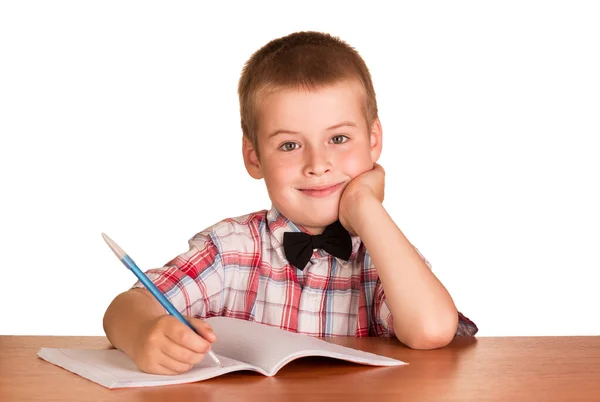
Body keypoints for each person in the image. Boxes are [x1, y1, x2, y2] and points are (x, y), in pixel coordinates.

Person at [103, 31, 478, 375]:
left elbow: (431, 330)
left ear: (373, 140)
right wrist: (144, 334)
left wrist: (366, 206)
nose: (317, 165)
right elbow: (124, 309)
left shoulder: (384, 253)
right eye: (289, 145)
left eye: (339, 139)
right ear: (253, 157)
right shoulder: (230, 249)